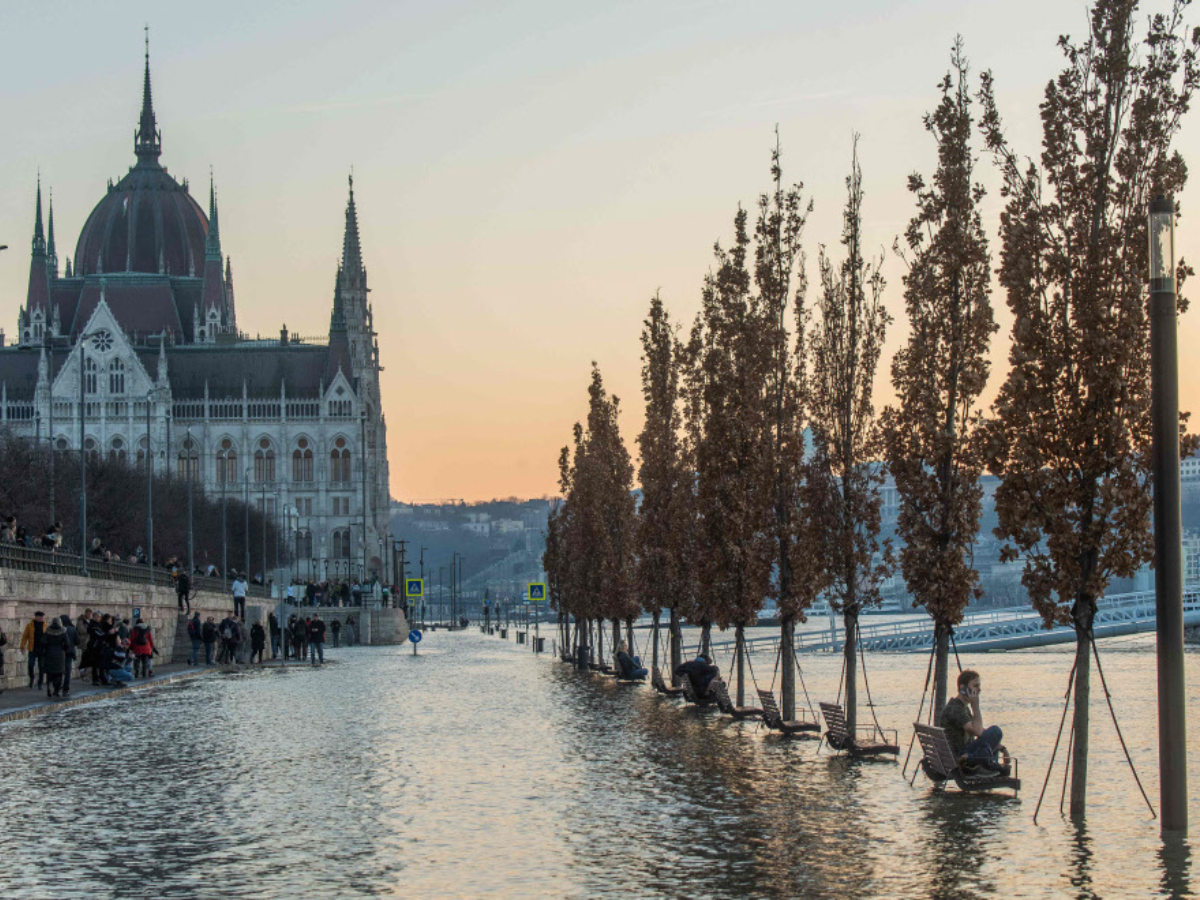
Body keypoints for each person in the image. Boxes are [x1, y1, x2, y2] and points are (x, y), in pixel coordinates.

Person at [940, 669, 1011, 775]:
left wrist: (1002, 748)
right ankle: (974, 761)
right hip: (958, 758)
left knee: (991, 740)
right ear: (962, 688)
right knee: (996, 731)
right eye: (975, 686)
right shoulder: (955, 709)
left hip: (959, 755)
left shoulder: (961, 707)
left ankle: (975, 760)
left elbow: (980, 731)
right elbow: (977, 731)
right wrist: (975, 706)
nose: (979, 690)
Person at [41, 617, 71, 697]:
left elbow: (43, 641)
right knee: (59, 673)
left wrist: (47, 647)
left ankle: (49, 687)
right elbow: (67, 644)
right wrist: (64, 649)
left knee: (50, 672)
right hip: (60, 654)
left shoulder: (48, 631)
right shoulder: (63, 631)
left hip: (49, 653)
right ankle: (56, 690)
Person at [19, 611, 47, 689]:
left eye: (43, 617)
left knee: (41, 667)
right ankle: (32, 678)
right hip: (33, 648)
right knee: (31, 665)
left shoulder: (45, 626)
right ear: (36, 617)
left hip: (42, 649)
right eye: (41, 617)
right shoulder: (30, 626)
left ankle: (40, 683)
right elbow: (25, 636)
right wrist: (22, 646)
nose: (42, 618)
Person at [60, 614, 79, 697]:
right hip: (69, 652)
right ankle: (65, 689)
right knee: (68, 671)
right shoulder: (72, 629)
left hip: (60, 652)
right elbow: (77, 641)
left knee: (59, 670)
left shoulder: (60, 629)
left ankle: (57, 687)